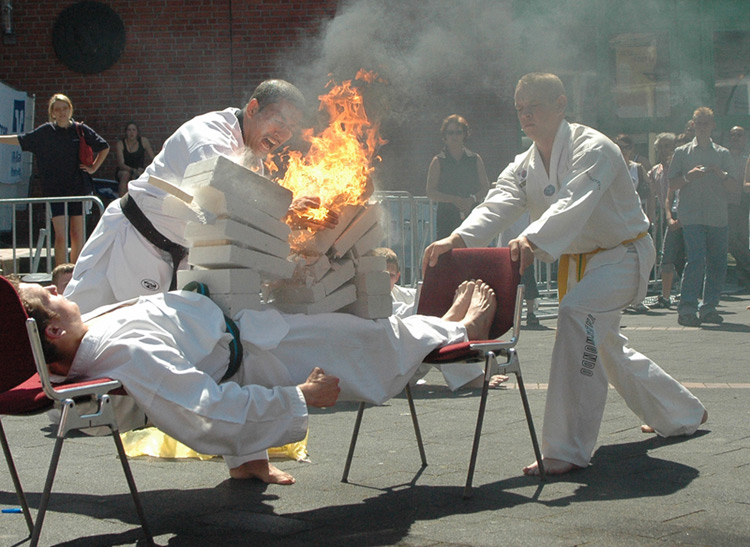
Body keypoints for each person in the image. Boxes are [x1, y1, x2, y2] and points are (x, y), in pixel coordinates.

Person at [423, 73, 707, 476]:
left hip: (623, 254)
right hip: (581, 263)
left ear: (560, 103)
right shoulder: (525, 163)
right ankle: (683, 412)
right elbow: (499, 200)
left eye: (534, 106)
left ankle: (568, 448)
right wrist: (458, 237)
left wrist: (531, 239)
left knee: (576, 316)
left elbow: (575, 200)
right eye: (520, 108)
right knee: (603, 346)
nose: (525, 115)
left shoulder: (596, 148)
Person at [10, 275, 496, 484]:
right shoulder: (128, 355)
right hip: (257, 350)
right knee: (362, 338)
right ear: (53, 330)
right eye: (48, 295)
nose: (56, 287)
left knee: (348, 324)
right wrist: (296, 397)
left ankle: (247, 462)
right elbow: (205, 409)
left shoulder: (89, 334)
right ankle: (456, 329)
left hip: (240, 329)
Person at [64, 80, 336, 314]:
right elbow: (221, 195)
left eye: (291, 127)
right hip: (129, 241)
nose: (283, 133)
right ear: (253, 108)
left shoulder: (255, 162)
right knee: (78, 332)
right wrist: (285, 211)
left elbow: (244, 223)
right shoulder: (209, 134)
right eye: (279, 120)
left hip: (176, 261)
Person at [0, 93, 109, 266]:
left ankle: (75, 275)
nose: (62, 112)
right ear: (52, 113)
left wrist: (93, 167)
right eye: (57, 109)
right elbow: (22, 139)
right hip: (55, 190)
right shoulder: (45, 131)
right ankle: (60, 274)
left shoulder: (81, 129)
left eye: (65, 108)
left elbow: (104, 146)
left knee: (77, 234)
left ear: (70, 109)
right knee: (60, 235)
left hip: (78, 189)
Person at [668, 107, 736, 326]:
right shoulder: (682, 152)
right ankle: (687, 309)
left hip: (717, 217)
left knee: (717, 263)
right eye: (699, 123)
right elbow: (672, 184)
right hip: (692, 216)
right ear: (693, 125)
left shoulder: (723, 154)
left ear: (713, 125)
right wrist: (689, 177)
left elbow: (734, 187)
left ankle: (709, 308)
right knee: (695, 260)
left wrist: (720, 173)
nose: (703, 126)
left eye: (707, 123)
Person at [426, 114, 490, 240]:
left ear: (464, 135)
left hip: (472, 215)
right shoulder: (438, 161)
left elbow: (485, 187)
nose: (454, 136)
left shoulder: (475, 159)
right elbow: (430, 192)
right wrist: (452, 199)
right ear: (445, 136)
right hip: (446, 217)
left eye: (458, 132)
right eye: (450, 133)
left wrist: (472, 199)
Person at [725, 126, 750, 289]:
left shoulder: (746, 159)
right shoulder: (724, 158)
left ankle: (743, 276)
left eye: (739, 135)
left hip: (742, 205)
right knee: (730, 239)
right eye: (733, 135)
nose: (736, 138)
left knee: (741, 239)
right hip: (725, 204)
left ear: (745, 138)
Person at [115, 121, 156, 197]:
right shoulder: (121, 144)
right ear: (126, 132)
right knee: (126, 175)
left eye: (134, 130)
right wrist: (133, 170)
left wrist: (145, 170)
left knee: (143, 177)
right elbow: (121, 164)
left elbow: (153, 159)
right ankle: (121, 200)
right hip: (125, 170)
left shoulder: (143, 141)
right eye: (129, 130)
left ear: (137, 132)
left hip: (139, 169)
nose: (131, 132)